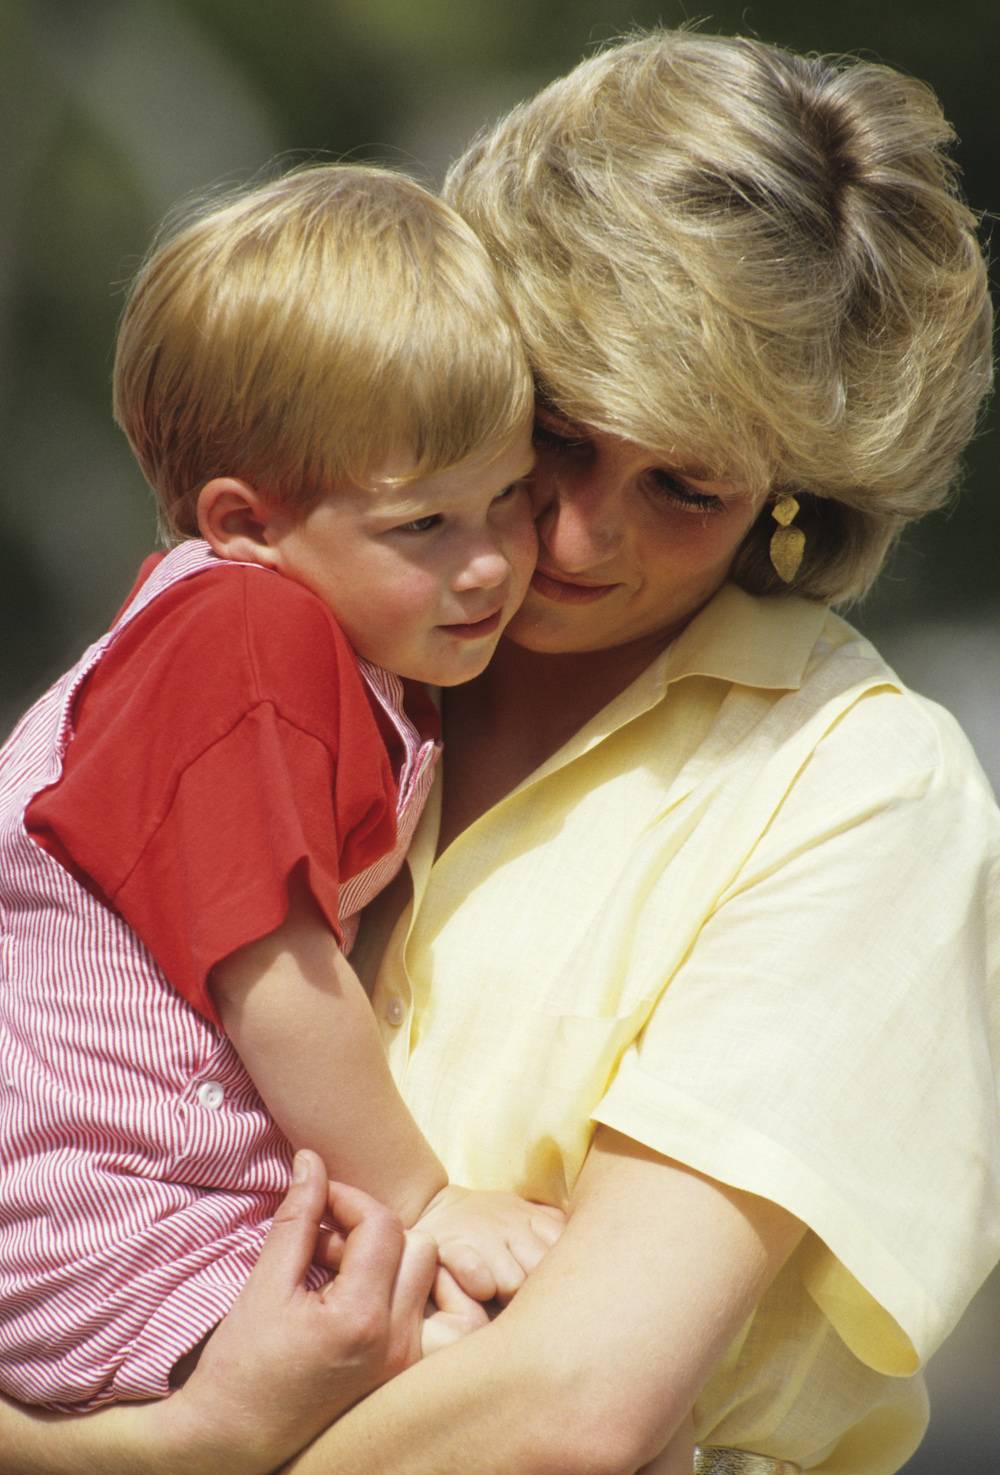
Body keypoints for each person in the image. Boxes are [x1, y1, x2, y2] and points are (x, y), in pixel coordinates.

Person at [1, 26, 997, 1475]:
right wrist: (179, 1440)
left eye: (687, 486)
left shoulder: (861, 789)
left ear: (797, 493)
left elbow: (571, 1408)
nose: (579, 536)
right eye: (556, 438)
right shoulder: (313, 639)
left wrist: (180, 1447)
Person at [0, 162, 561, 1415]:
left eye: (511, 498)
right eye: (424, 524)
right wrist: (427, 1198)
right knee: (480, 1391)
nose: (489, 564)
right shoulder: (241, 639)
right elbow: (275, 976)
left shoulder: (338, 644)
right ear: (245, 522)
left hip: (164, 1203)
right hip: (88, 1221)